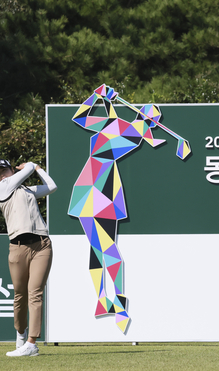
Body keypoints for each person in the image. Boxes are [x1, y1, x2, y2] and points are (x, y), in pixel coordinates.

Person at [68, 84, 165, 334]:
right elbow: (83, 118)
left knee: (105, 248)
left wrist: (99, 96)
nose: (150, 124)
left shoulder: (128, 131)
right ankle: (107, 301)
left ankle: (116, 303)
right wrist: (101, 97)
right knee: (100, 248)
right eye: (149, 119)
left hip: (101, 185)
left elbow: (93, 120)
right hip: (95, 185)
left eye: (151, 121)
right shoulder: (126, 128)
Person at [0, 159, 57, 356]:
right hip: (18, 248)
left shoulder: (27, 190)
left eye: (6, 170)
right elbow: (26, 170)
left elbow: (51, 187)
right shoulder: (2, 189)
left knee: (35, 293)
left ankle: (31, 343)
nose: (3, 175)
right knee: (20, 295)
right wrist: (30, 165)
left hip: (42, 245)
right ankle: (21, 332)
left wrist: (38, 168)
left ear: (12, 169)